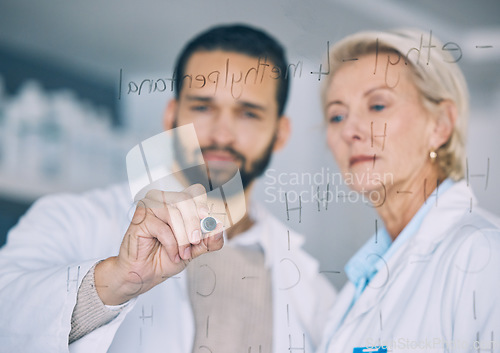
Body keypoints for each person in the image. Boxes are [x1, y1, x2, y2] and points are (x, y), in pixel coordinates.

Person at [0, 24, 336, 353]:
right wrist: (116, 280)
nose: (222, 133)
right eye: (203, 107)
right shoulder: (69, 218)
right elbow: (8, 317)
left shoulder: (310, 286)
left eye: (248, 113)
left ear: (281, 132)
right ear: (171, 115)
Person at [316, 29, 500, 352]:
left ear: (440, 124)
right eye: (337, 115)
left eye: (377, 106)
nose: (350, 130)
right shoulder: (360, 283)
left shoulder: (484, 256)